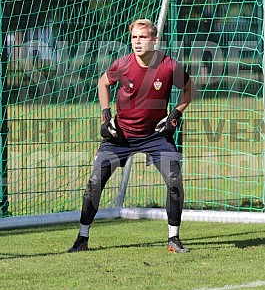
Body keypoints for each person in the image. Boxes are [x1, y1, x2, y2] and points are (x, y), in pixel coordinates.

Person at [68, 19, 196, 253]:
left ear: (154, 40)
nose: (137, 42)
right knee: (94, 183)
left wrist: (175, 115)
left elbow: (189, 89)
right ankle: (82, 238)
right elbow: (102, 83)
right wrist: (106, 117)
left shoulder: (169, 66)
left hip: (156, 136)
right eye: (134, 37)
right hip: (121, 136)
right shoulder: (122, 64)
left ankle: (173, 239)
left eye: (143, 37)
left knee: (175, 181)